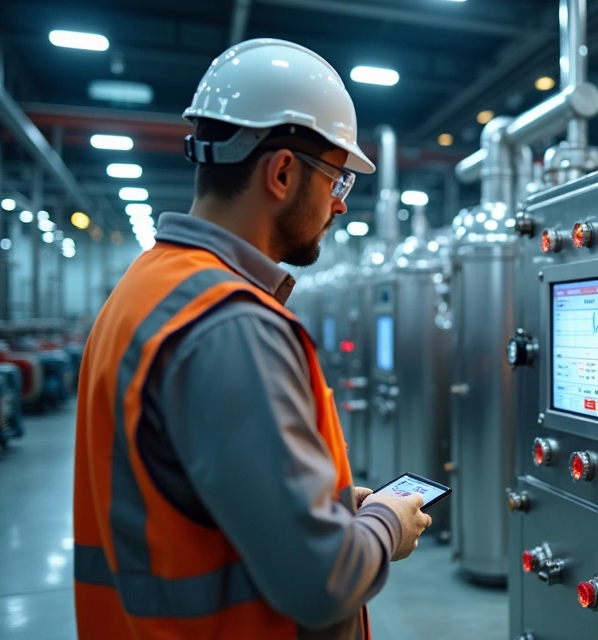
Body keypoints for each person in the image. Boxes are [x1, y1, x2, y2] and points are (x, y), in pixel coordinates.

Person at [72, 39, 431, 640]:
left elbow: (197, 500)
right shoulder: (231, 325)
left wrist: (333, 510)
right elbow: (321, 585)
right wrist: (385, 524)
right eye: (337, 180)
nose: (340, 207)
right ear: (283, 172)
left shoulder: (148, 287)